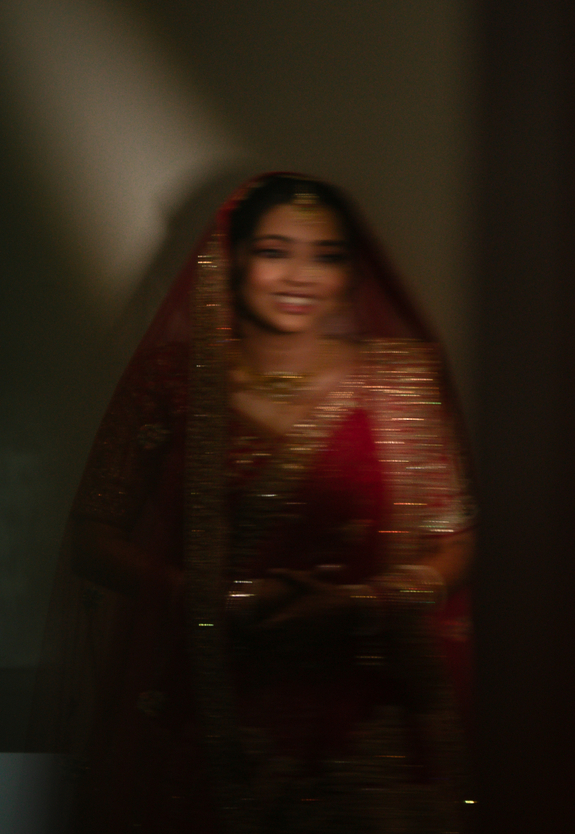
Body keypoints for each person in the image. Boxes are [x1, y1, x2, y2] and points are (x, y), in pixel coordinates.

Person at [40, 173, 474, 832]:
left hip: (369, 717)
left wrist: (363, 603)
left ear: (351, 274)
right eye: (275, 251)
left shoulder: (403, 381)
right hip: (211, 707)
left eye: (326, 256)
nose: (300, 276)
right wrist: (205, 599)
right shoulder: (169, 381)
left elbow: (456, 539)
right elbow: (93, 539)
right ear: (233, 259)